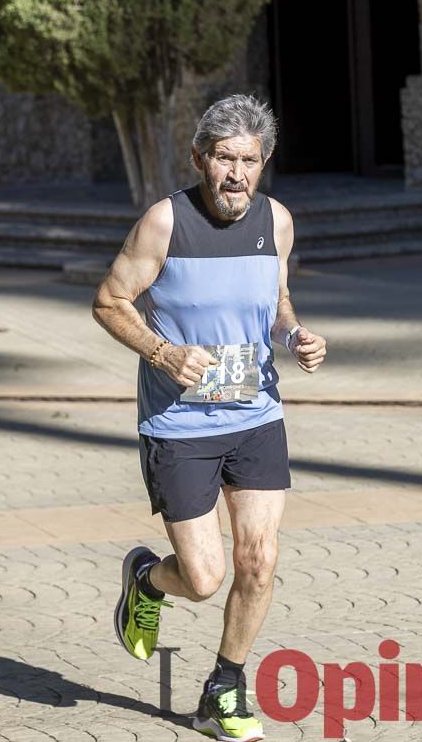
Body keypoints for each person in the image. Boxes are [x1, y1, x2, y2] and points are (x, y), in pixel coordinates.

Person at [92, 94, 327, 741]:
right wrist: (163, 352)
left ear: (265, 162)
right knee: (203, 577)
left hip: (256, 413)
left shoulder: (276, 222)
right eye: (224, 158)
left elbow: (277, 300)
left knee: (259, 561)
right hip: (180, 426)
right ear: (200, 158)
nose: (236, 174)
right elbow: (110, 301)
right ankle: (146, 577)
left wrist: (295, 335)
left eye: (249, 161)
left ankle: (223, 688)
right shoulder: (164, 223)